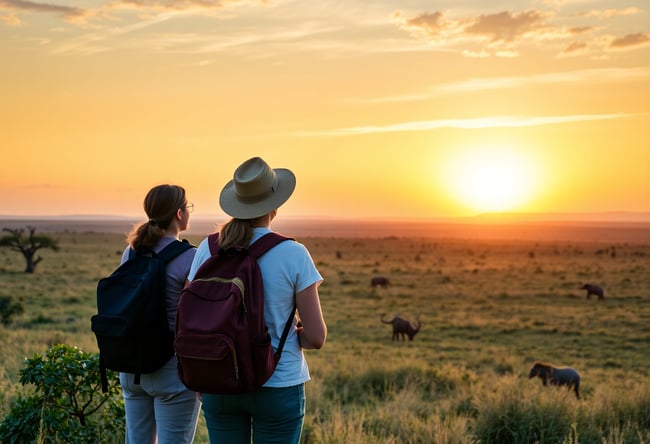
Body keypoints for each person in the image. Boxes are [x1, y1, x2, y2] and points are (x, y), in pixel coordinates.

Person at [188, 156, 327, 444]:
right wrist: (293, 336)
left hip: (219, 378)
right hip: (277, 382)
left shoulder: (207, 248)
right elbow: (316, 337)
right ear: (274, 207)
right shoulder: (293, 253)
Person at [119, 184, 201, 444]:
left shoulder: (131, 252)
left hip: (131, 367)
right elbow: (195, 318)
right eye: (188, 207)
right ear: (179, 214)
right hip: (172, 368)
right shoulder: (191, 257)